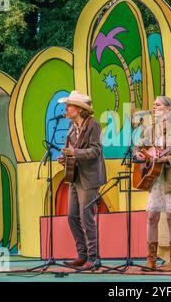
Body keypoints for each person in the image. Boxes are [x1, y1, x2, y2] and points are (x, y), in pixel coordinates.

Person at [134, 96, 171, 272]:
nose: (153, 107)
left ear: (168, 108)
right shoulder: (151, 128)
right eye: (153, 105)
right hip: (155, 178)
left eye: (157, 104)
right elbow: (139, 147)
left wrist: (162, 159)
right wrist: (140, 155)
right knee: (152, 217)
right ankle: (150, 260)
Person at [57, 91, 107, 269]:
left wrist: (74, 153)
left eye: (69, 106)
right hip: (75, 176)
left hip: (90, 177)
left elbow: (95, 151)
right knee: (72, 216)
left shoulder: (93, 125)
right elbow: (72, 151)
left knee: (87, 217)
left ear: (78, 109)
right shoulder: (72, 127)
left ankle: (93, 258)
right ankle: (82, 254)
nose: (66, 108)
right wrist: (66, 159)